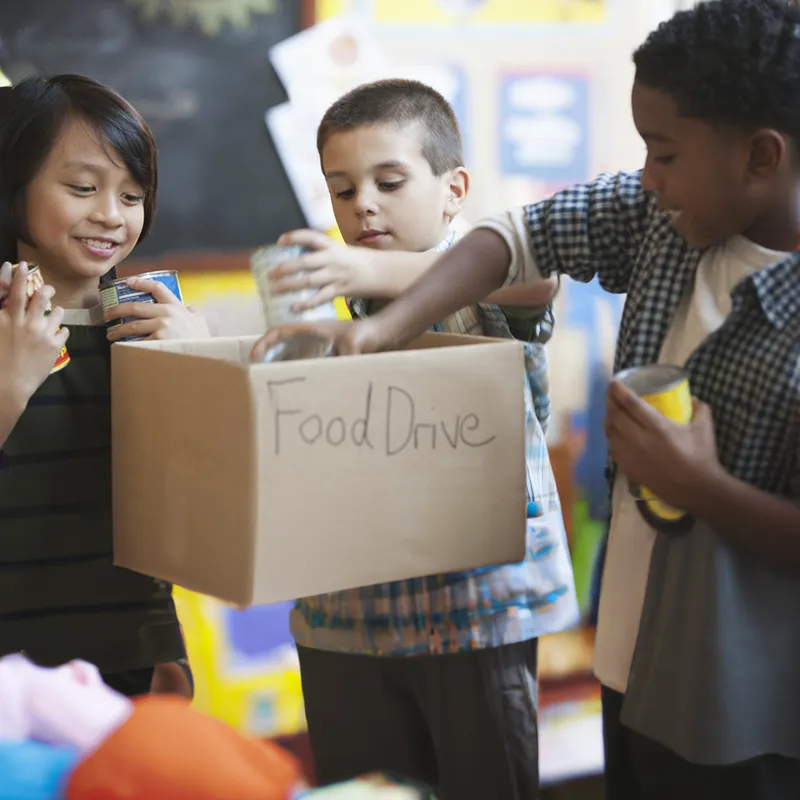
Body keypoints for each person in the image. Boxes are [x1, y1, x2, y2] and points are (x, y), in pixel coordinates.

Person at [253, 2, 800, 798]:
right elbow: (517, 237)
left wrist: (699, 489)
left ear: (759, 156)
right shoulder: (661, 218)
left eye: (665, 152)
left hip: (747, 698)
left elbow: (524, 277)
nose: (646, 174)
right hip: (634, 652)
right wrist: (382, 328)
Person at [256, 78, 579, 800]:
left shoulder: (491, 273)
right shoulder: (341, 300)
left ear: (453, 188)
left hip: (474, 619)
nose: (362, 204)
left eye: (388, 181)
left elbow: (536, 278)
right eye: (341, 191)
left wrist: (370, 266)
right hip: (345, 620)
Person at [0, 74, 209, 698]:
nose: (110, 216)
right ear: (14, 187)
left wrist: (202, 367)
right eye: (83, 188)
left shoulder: (159, 324)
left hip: (131, 644)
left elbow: (214, 496)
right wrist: (12, 382)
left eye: (132, 195)